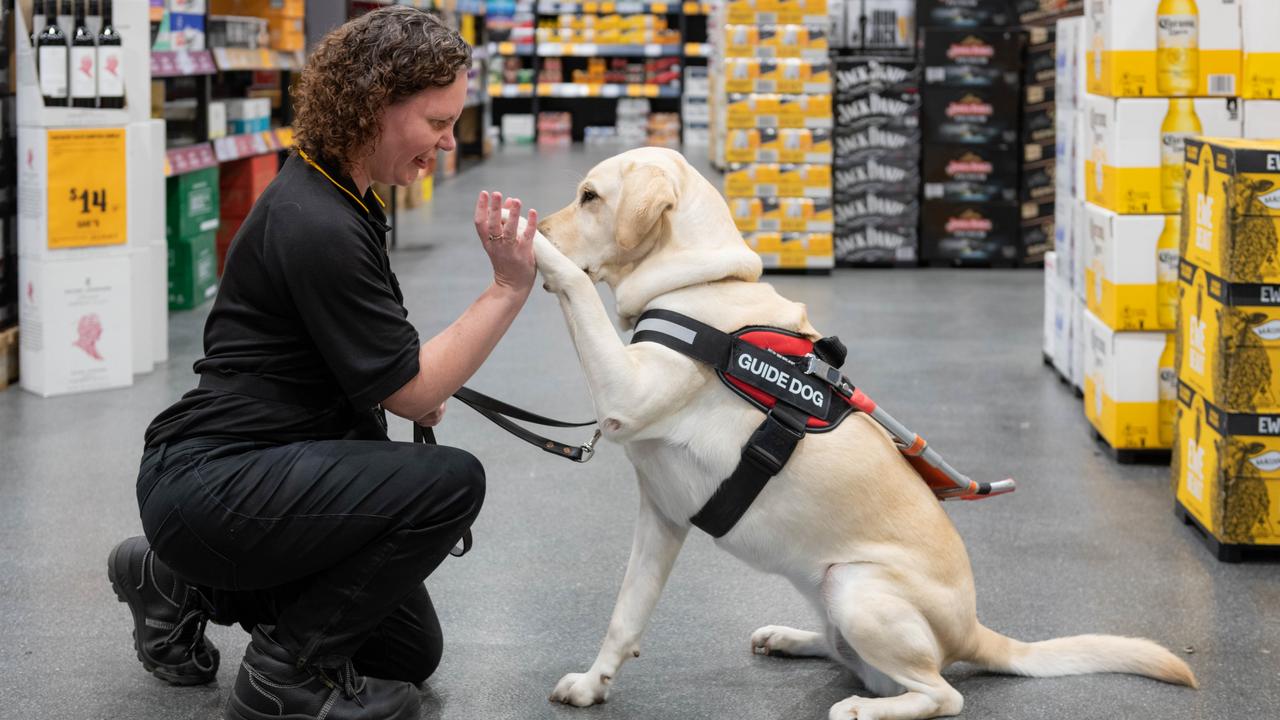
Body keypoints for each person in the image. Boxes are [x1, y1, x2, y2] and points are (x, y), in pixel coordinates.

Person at [106, 8, 538, 720]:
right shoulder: (319, 221)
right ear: (374, 105)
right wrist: (508, 286)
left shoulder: (341, 191)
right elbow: (415, 394)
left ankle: (177, 584)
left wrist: (412, 377)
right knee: (451, 481)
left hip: (256, 478)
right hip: (212, 481)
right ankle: (286, 678)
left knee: (406, 654)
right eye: (436, 121)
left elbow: (393, 373)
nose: (448, 145)